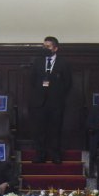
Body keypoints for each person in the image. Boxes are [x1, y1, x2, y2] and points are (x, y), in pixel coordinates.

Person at [29, 36, 72, 164]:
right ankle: (40, 155)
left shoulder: (63, 63)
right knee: (39, 130)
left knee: (55, 130)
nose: (45, 49)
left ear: (55, 48)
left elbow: (68, 83)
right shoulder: (37, 61)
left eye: (48, 46)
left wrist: (58, 95)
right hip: (40, 102)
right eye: (44, 46)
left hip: (56, 102)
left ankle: (55, 155)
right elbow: (32, 80)